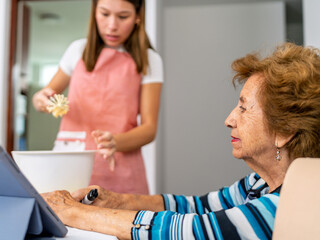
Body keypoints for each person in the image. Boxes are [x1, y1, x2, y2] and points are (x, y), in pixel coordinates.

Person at [42, 42, 320, 239]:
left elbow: (195, 230)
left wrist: (73, 213)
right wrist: (112, 199)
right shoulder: (260, 183)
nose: (229, 119)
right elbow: (197, 206)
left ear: (285, 132)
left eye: (244, 108)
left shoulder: (291, 203)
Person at [32, 0, 163, 194]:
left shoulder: (149, 60)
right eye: (104, 14)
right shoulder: (78, 50)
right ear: (94, 12)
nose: (112, 25)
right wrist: (41, 99)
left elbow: (149, 129)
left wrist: (116, 141)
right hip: (71, 163)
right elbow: (43, 96)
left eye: (123, 17)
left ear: (137, 17)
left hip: (120, 167)